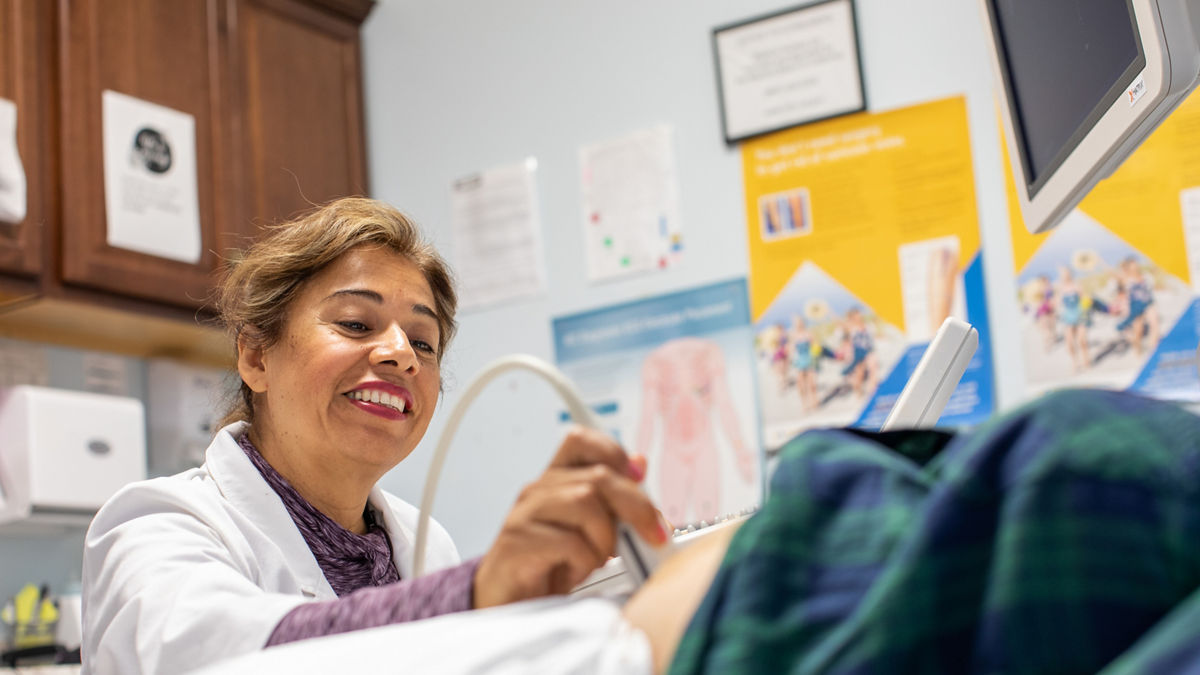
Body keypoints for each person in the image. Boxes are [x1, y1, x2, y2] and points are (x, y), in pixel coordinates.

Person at [81, 198, 668, 674]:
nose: (401, 355)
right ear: (257, 356)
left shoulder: (422, 543)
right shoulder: (153, 528)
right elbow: (206, 660)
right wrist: (473, 594)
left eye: (423, 342)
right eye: (356, 324)